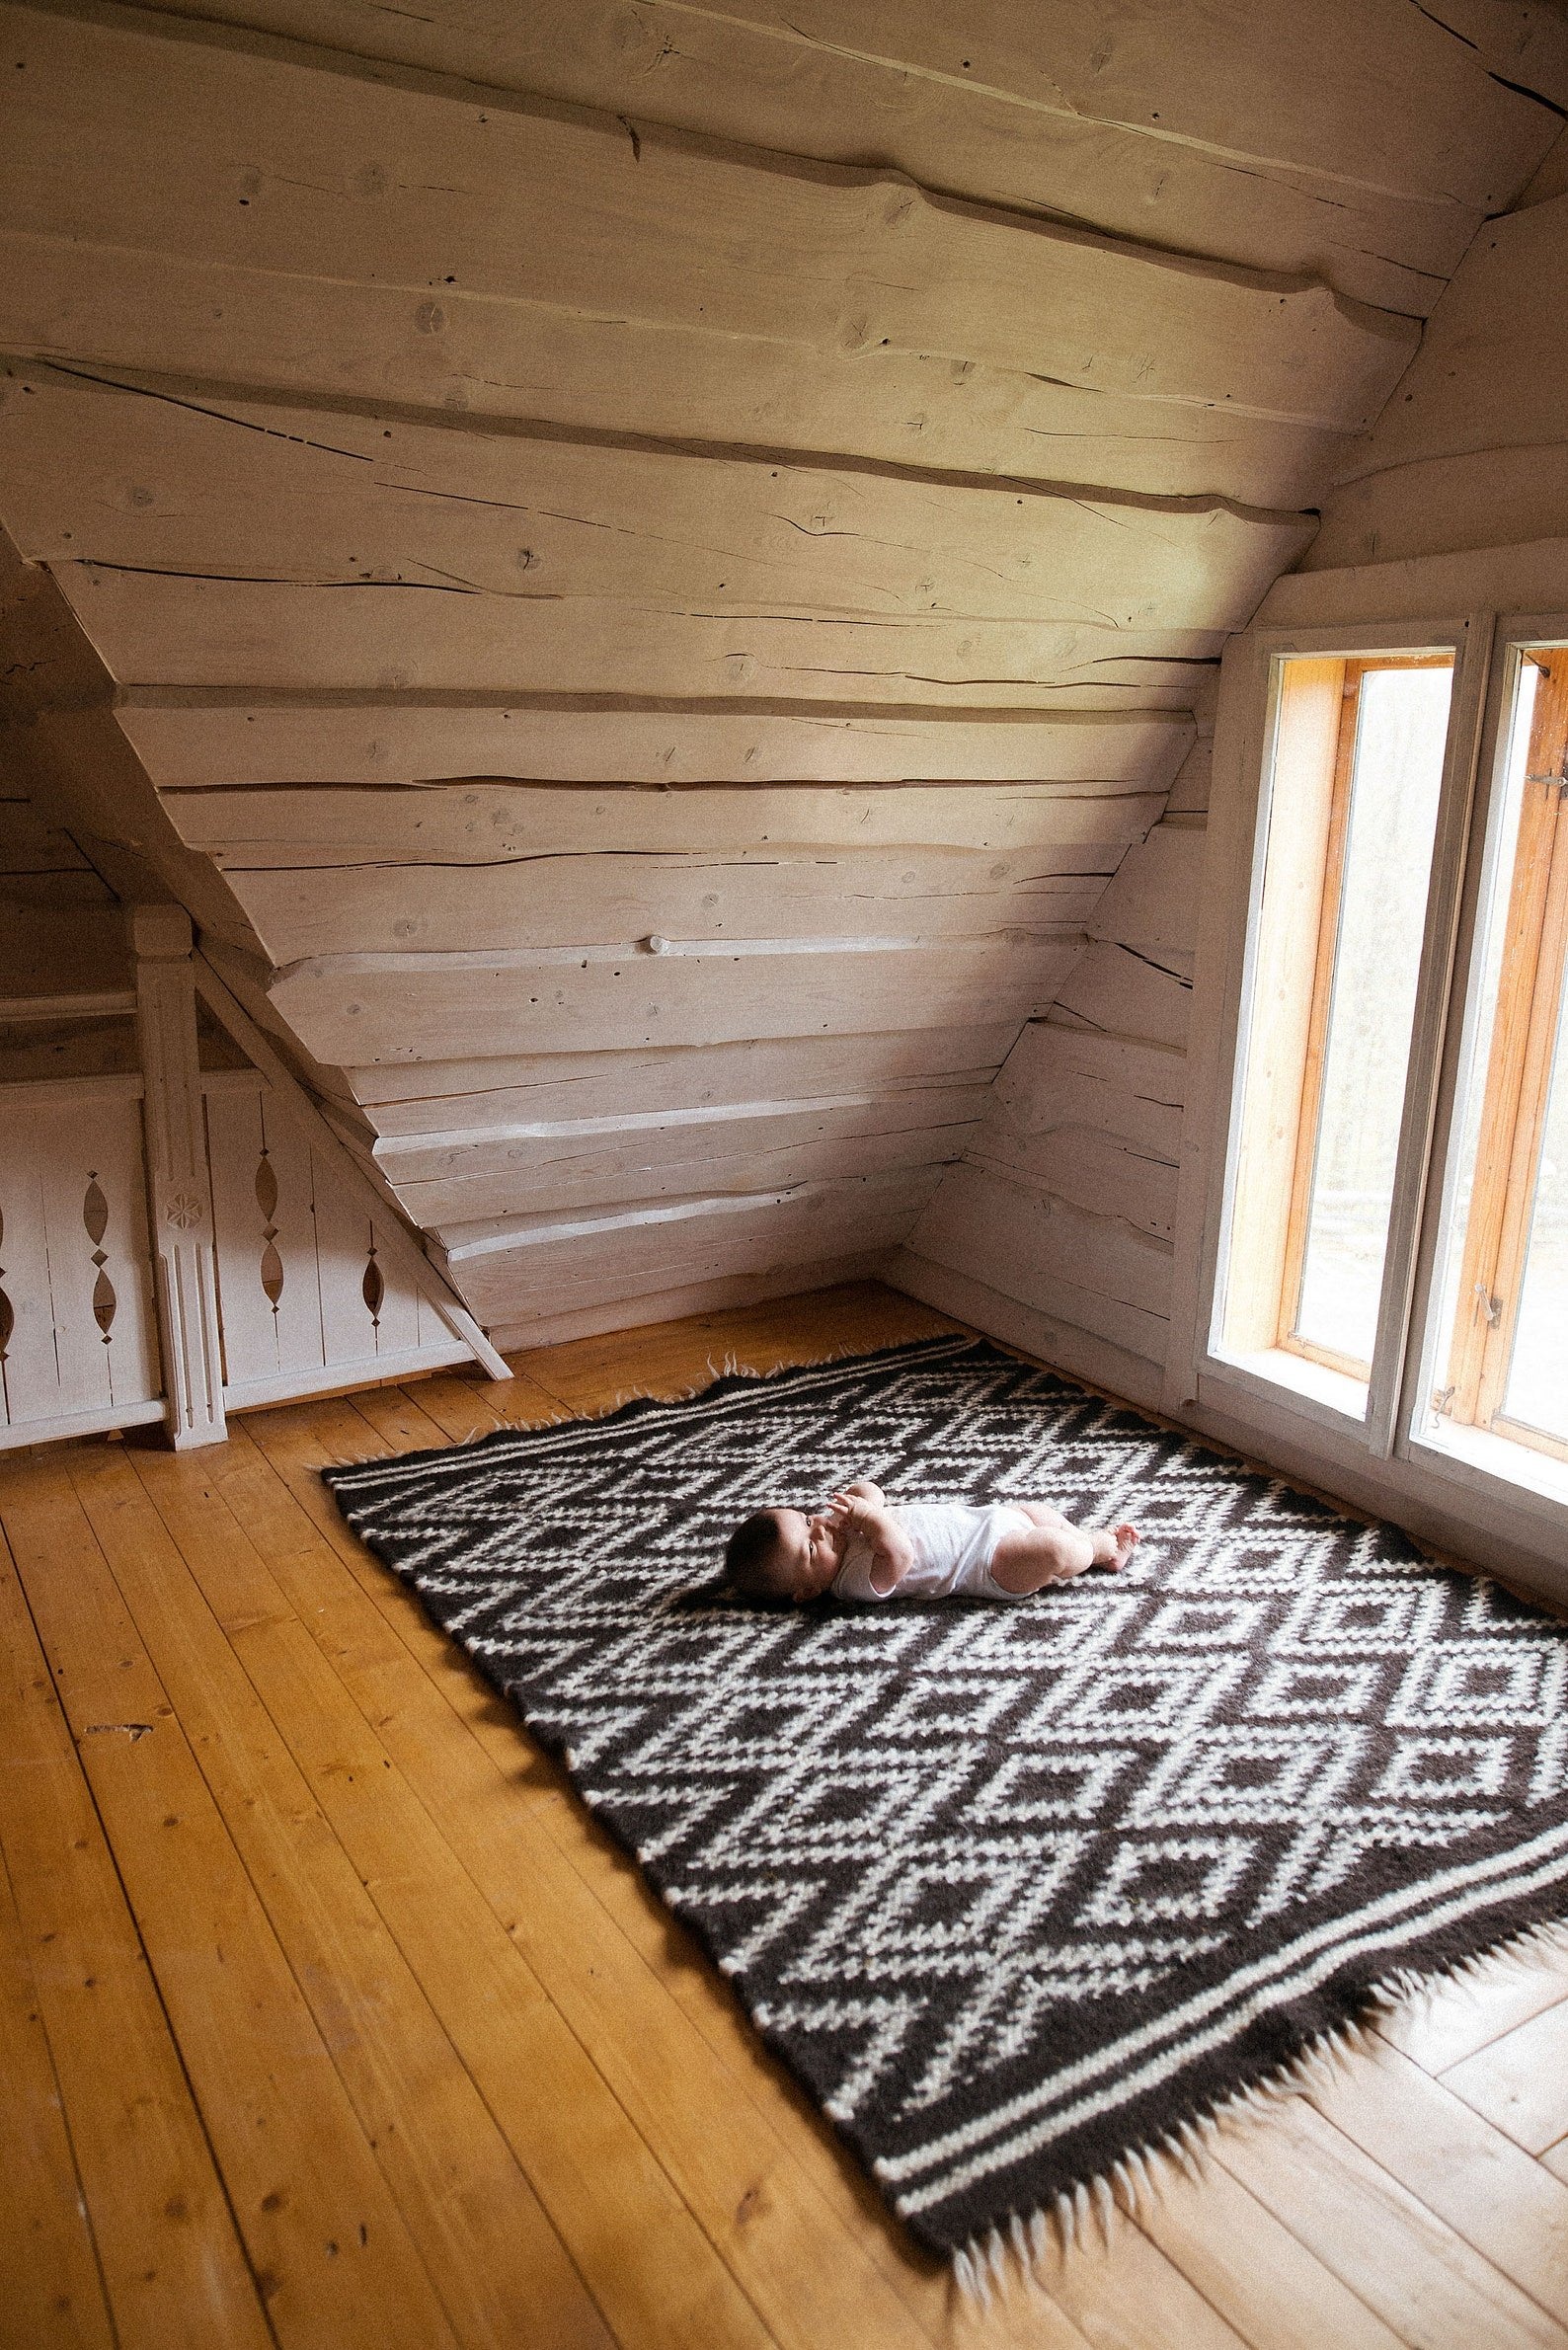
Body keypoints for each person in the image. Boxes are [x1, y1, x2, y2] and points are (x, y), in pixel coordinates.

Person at [722, 1476, 1138, 1605]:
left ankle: (1079, 1543)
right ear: (808, 1590)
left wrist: (861, 1502)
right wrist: (869, 1519)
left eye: (806, 1518)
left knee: (1038, 1512)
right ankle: (1101, 1548)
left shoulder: (841, 1529)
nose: (819, 1529)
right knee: (1052, 1549)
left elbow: (873, 1492)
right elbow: (900, 1556)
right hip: (991, 1563)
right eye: (811, 1548)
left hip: (992, 1520)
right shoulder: (852, 1582)